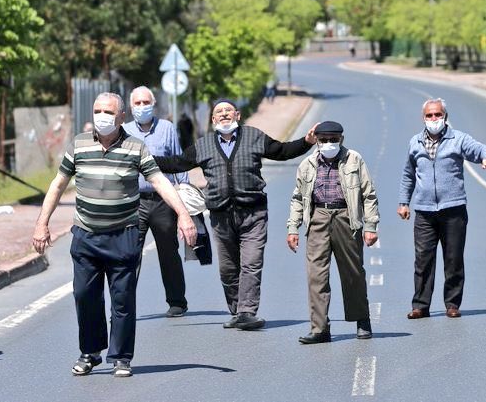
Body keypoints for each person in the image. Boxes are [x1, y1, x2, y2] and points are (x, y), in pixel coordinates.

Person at [32, 92, 196, 377]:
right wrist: (41, 223)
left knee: (122, 298)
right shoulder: (79, 144)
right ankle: (90, 352)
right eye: (97, 110)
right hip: (86, 235)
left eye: (108, 112)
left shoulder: (136, 147)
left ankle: (121, 356)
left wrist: (183, 214)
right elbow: (58, 184)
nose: (102, 116)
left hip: (123, 235)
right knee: (84, 295)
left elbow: (159, 182)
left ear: (122, 116)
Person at [154, 98, 318, 330]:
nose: (223, 114)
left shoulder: (254, 136)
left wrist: (306, 141)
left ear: (238, 115)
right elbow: (176, 163)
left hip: (253, 213)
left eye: (228, 111)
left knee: (251, 264)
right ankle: (236, 311)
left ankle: (247, 311)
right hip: (221, 217)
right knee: (228, 269)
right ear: (212, 120)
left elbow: (282, 151)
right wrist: (142, 159)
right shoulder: (203, 145)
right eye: (218, 112)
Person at [398, 98, 486, 321]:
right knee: (423, 259)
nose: (434, 119)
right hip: (424, 211)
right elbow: (408, 174)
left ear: (445, 117)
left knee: (453, 258)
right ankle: (420, 305)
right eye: (429, 115)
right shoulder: (415, 142)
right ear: (423, 118)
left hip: (453, 209)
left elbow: (478, 149)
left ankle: (452, 303)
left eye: (438, 115)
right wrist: (404, 202)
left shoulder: (457, 139)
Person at [286, 121, 379, 344]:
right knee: (316, 276)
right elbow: (298, 198)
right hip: (318, 218)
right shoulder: (307, 164)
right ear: (317, 141)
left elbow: (369, 194)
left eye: (333, 140)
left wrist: (370, 226)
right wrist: (293, 228)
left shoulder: (354, 159)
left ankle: (362, 320)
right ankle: (320, 329)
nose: (329, 144)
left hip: (346, 218)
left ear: (341, 140)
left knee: (353, 272)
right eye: (324, 140)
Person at [122, 86, 190, 317]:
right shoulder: (123, 130)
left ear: (154, 104)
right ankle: (123, 305)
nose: (142, 107)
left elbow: (178, 161)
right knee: (129, 254)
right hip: (134, 202)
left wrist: (185, 199)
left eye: (145, 102)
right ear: (131, 108)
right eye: (137, 103)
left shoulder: (167, 128)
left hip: (163, 201)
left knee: (169, 252)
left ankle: (177, 301)